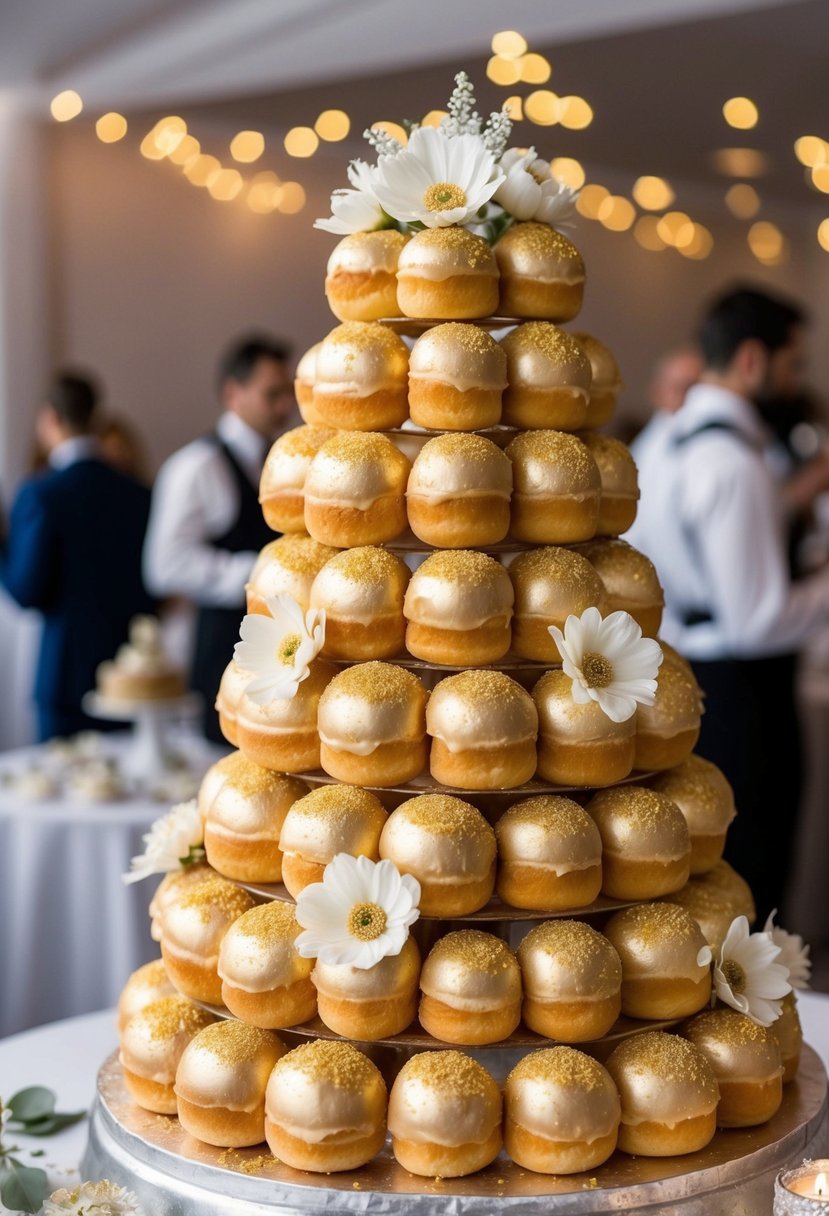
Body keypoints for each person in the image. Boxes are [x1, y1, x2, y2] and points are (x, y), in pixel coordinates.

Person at [629, 285, 829, 921]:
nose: (796, 379)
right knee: (749, 888)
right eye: (792, 364)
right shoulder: (733, 463)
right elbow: (755, 621)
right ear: (751, 360)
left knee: (706, 889)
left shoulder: (666, 439)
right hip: (744, 698)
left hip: (685, 679)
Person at [143, 334, 295, 741]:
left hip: (282, 658)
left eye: (289, 393)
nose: (286, 407)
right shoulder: (196, 468)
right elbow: (164, 566)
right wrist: (261, 572)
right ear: (234, 393)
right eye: (273, 394)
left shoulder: (284, 462)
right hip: (222, 651)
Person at [0, 372, 154, 741]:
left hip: (64, 673)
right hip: (127, 673)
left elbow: (27, 590)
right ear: (95, 419)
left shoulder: (40, 493)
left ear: (50, 418)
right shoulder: (138, 494)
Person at [629, 345, 702, 483]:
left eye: (699, 387)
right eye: (683, 388)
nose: (694, 397)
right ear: (657, 393)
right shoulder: (653, 451)